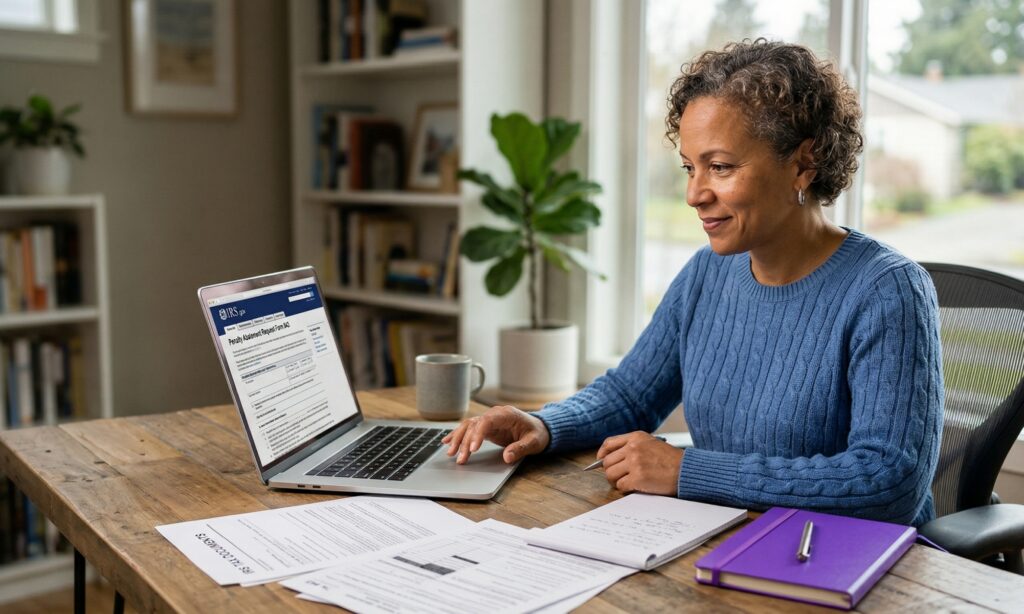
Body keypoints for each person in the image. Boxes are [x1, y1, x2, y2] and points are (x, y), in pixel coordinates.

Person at [442, 39, 943, 527]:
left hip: (853, 567)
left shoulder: (888, 291)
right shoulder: (708, 273)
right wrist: (545, 425)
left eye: (720, 167)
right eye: (689, 167)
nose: (693, 194)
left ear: (803, 165)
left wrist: (687, 471)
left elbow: (888, 481)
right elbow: (631, 395)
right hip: (728, 537)